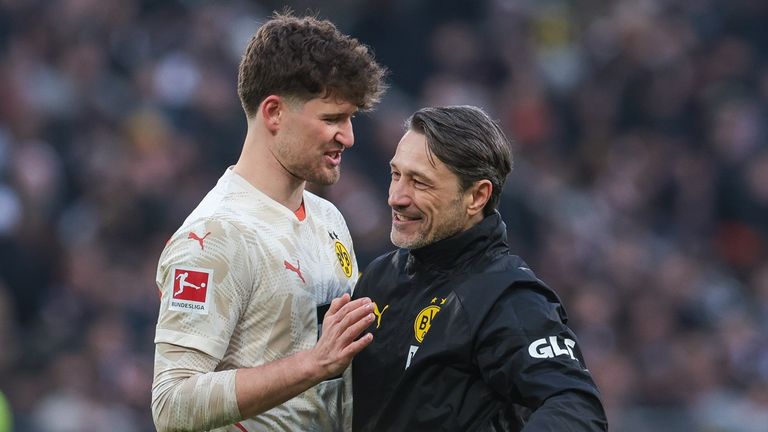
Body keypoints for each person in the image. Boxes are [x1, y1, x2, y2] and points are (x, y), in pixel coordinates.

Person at [151, 12, 386, 432]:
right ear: (274, 112)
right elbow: (172, 403)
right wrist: (311, 365)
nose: (348, 137)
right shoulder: (213, 236)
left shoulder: (327, 217)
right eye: (332, 119)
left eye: (350, 119)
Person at [352, 106, 607, 431]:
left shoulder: (506, 297)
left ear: (477, 196)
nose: (396, 197)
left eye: (420, 182)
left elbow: (576, 408)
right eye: (396, 174)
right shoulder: (379, 277)